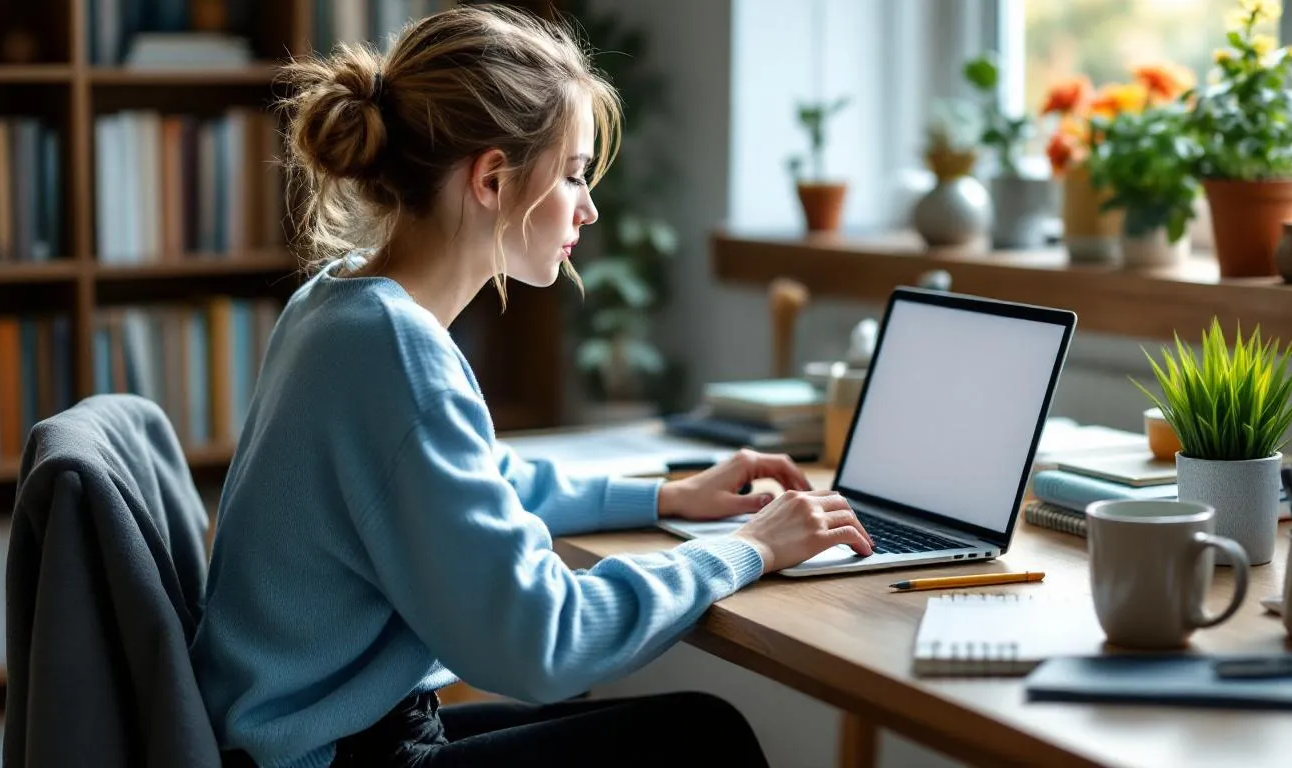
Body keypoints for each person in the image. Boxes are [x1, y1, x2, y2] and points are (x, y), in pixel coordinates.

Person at [190, 6, 875, 767]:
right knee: (700, 741)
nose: (588, 206)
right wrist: (746, 550)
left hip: (318, 731)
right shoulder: (394, 350)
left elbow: (475, 480)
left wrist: (665, 497)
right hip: (332, 754)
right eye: (575, 173)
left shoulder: (335, 304)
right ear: (491, 179)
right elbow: (542, 642)